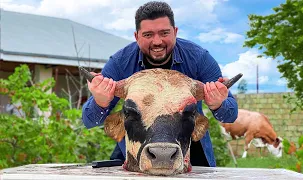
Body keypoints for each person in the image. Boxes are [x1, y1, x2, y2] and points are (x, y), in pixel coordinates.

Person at [82, 1, 238, 167]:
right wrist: (100, 101)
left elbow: (231, 115)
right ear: (136, 37)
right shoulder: (120, 63)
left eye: (164, 33)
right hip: (135, 154)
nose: (157, 42)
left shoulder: (199, 58)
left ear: (175, 32)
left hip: (188, 150)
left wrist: (218, 104)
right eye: (148, 35)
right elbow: (90, 121)